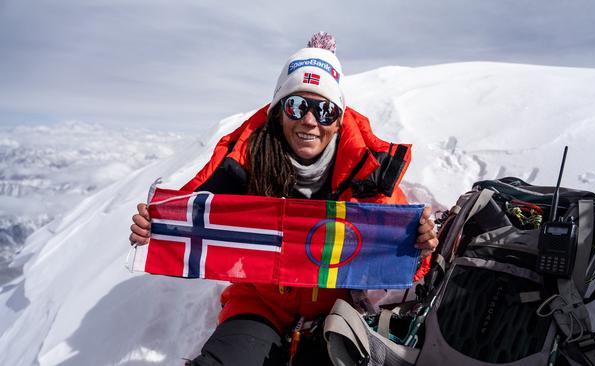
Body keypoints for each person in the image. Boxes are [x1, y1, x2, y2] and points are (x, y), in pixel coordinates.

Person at [129, 32, 438, 365]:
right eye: (296, 105)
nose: (309, 120)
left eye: (324, 111)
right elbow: (192, 213)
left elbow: (395, 245)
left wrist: (421, 243)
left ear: (337, 121)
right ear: (279, 111)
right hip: (259, 302)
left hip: (337, 307)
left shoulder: (366, 170)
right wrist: (157, 227)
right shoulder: (245, 159)